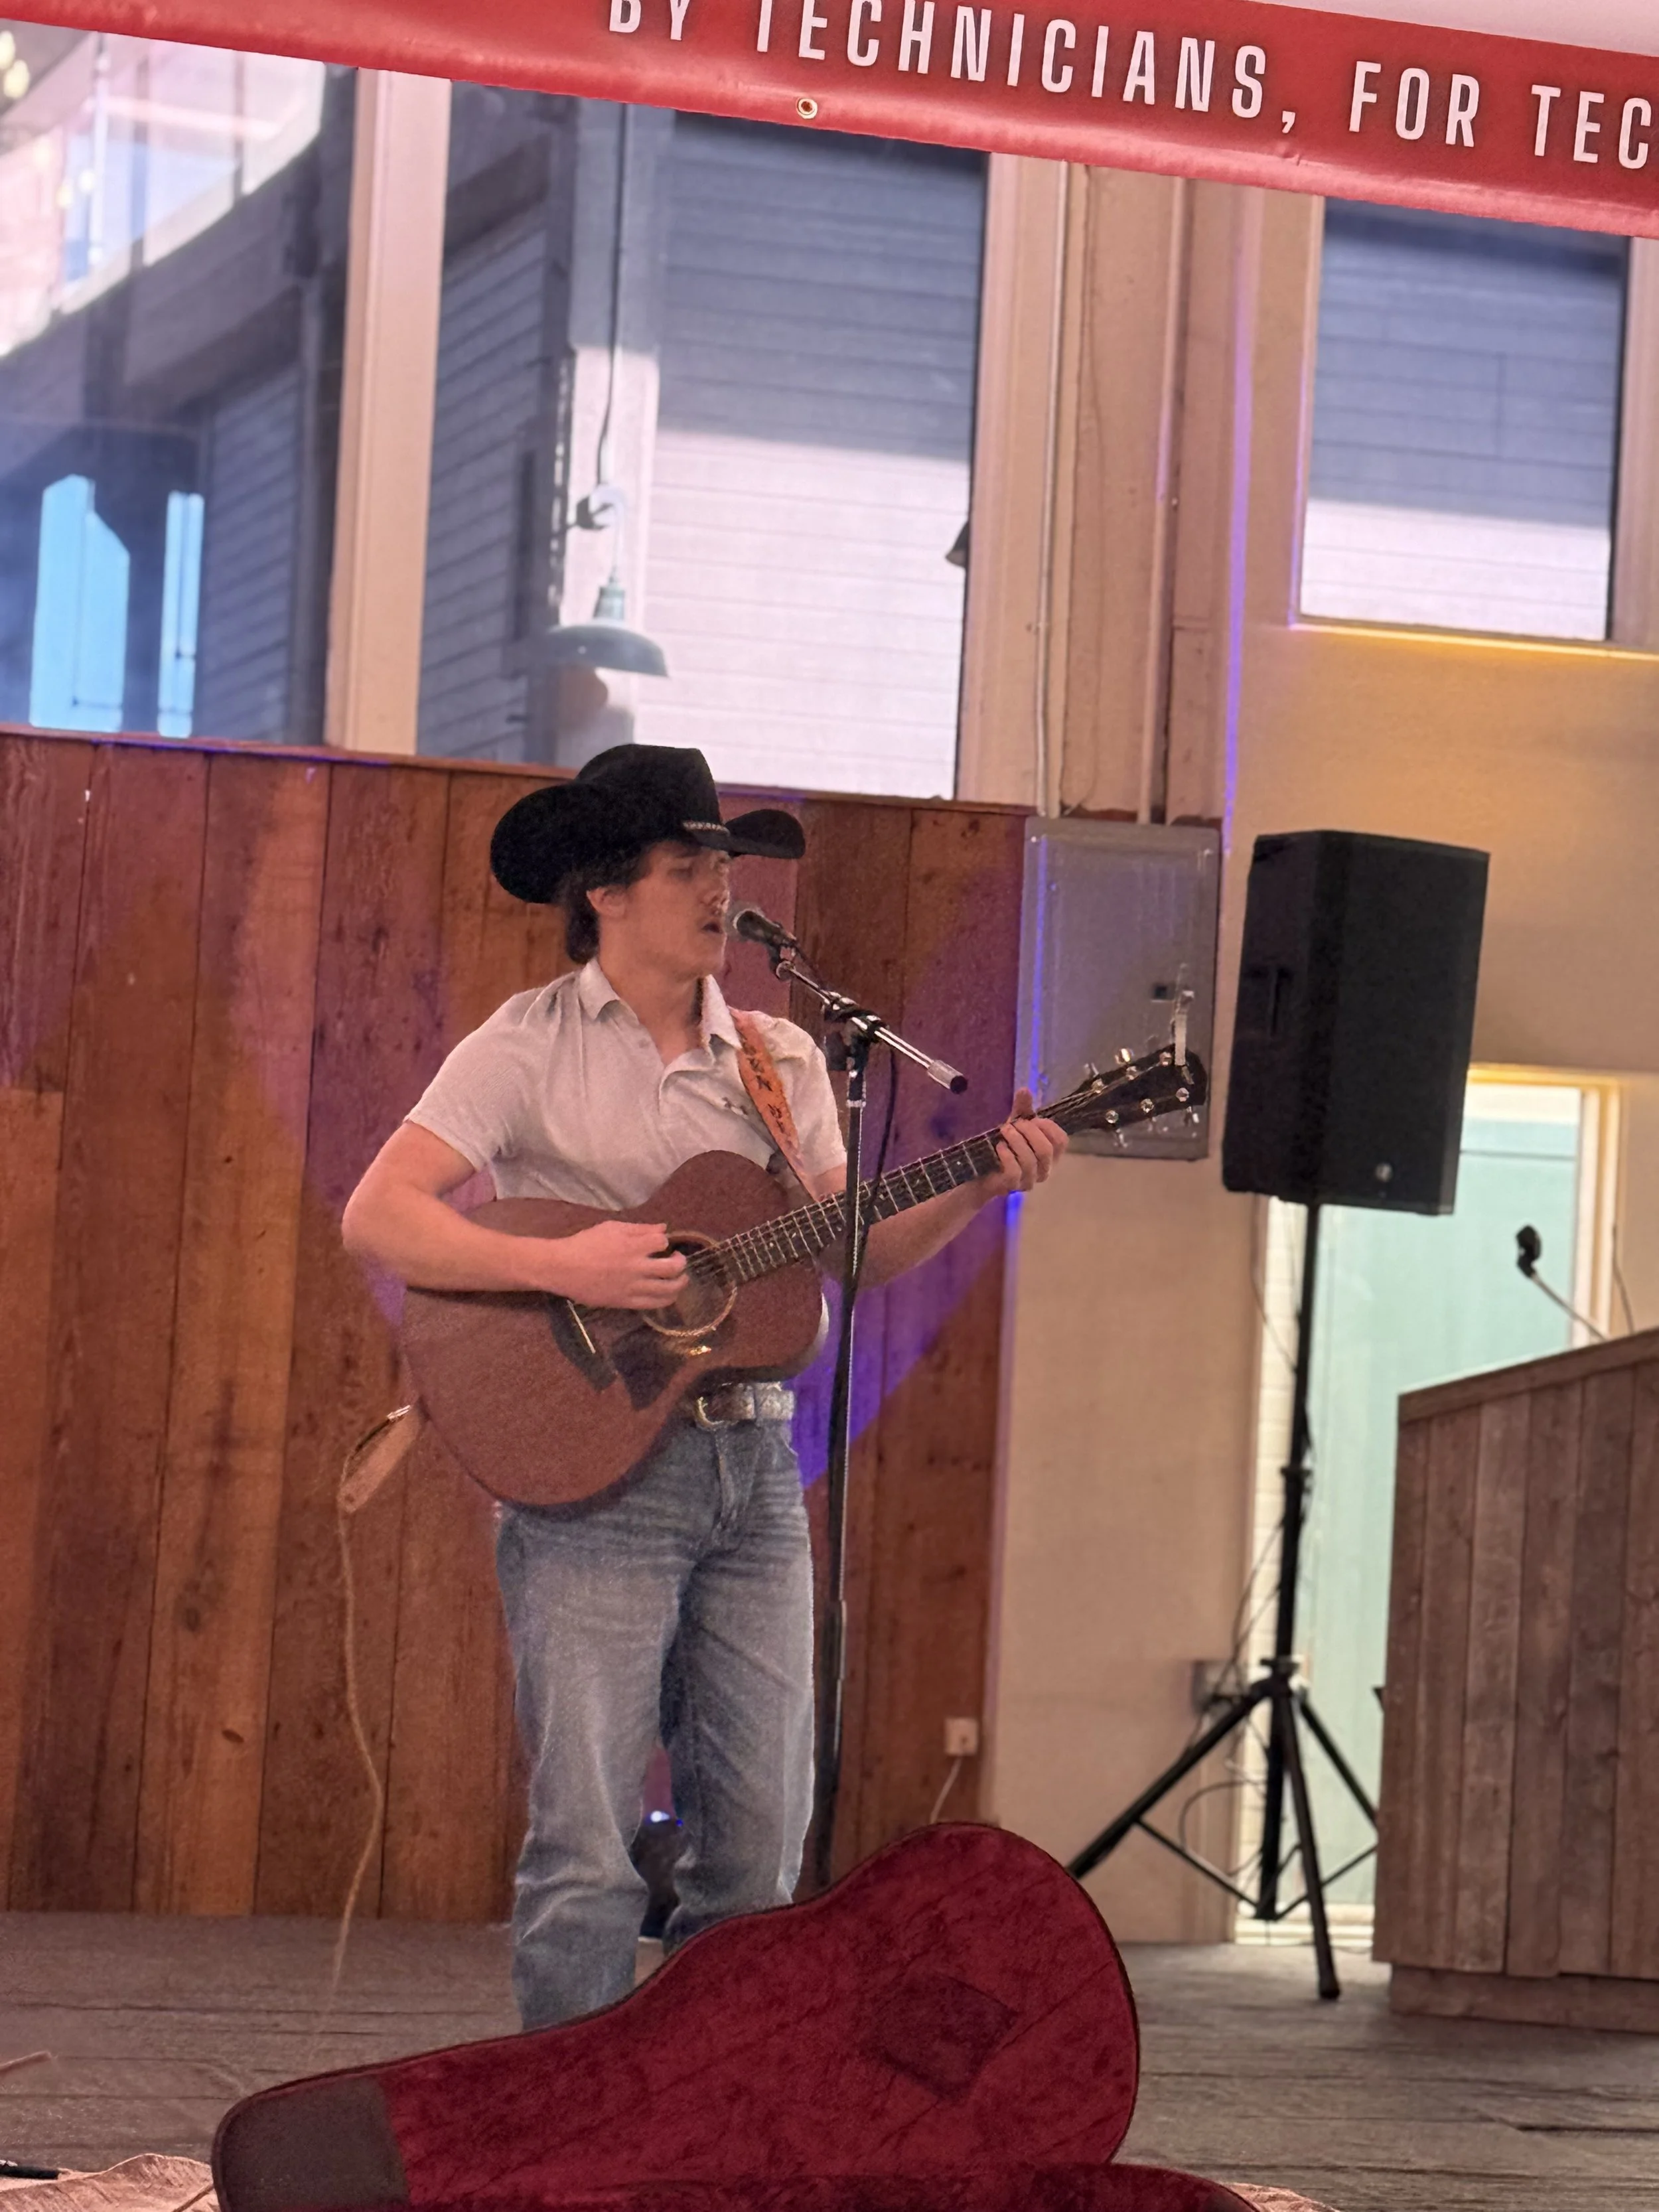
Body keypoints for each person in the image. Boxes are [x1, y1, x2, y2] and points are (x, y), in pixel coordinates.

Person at [341, 744, 1067, 2028]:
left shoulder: (782, 1060)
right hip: (588, 1478)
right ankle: (568, 2135)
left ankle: (715, 2119)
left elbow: (855, 1249)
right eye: (689, 867)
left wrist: (977, 1182)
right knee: (586, 1846)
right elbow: (381, 1217)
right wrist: (566, 1261)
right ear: (608, 892)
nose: (719, 891)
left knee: (759, 1847)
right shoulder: (525, 1044)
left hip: (755, 1469)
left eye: (726, 866)